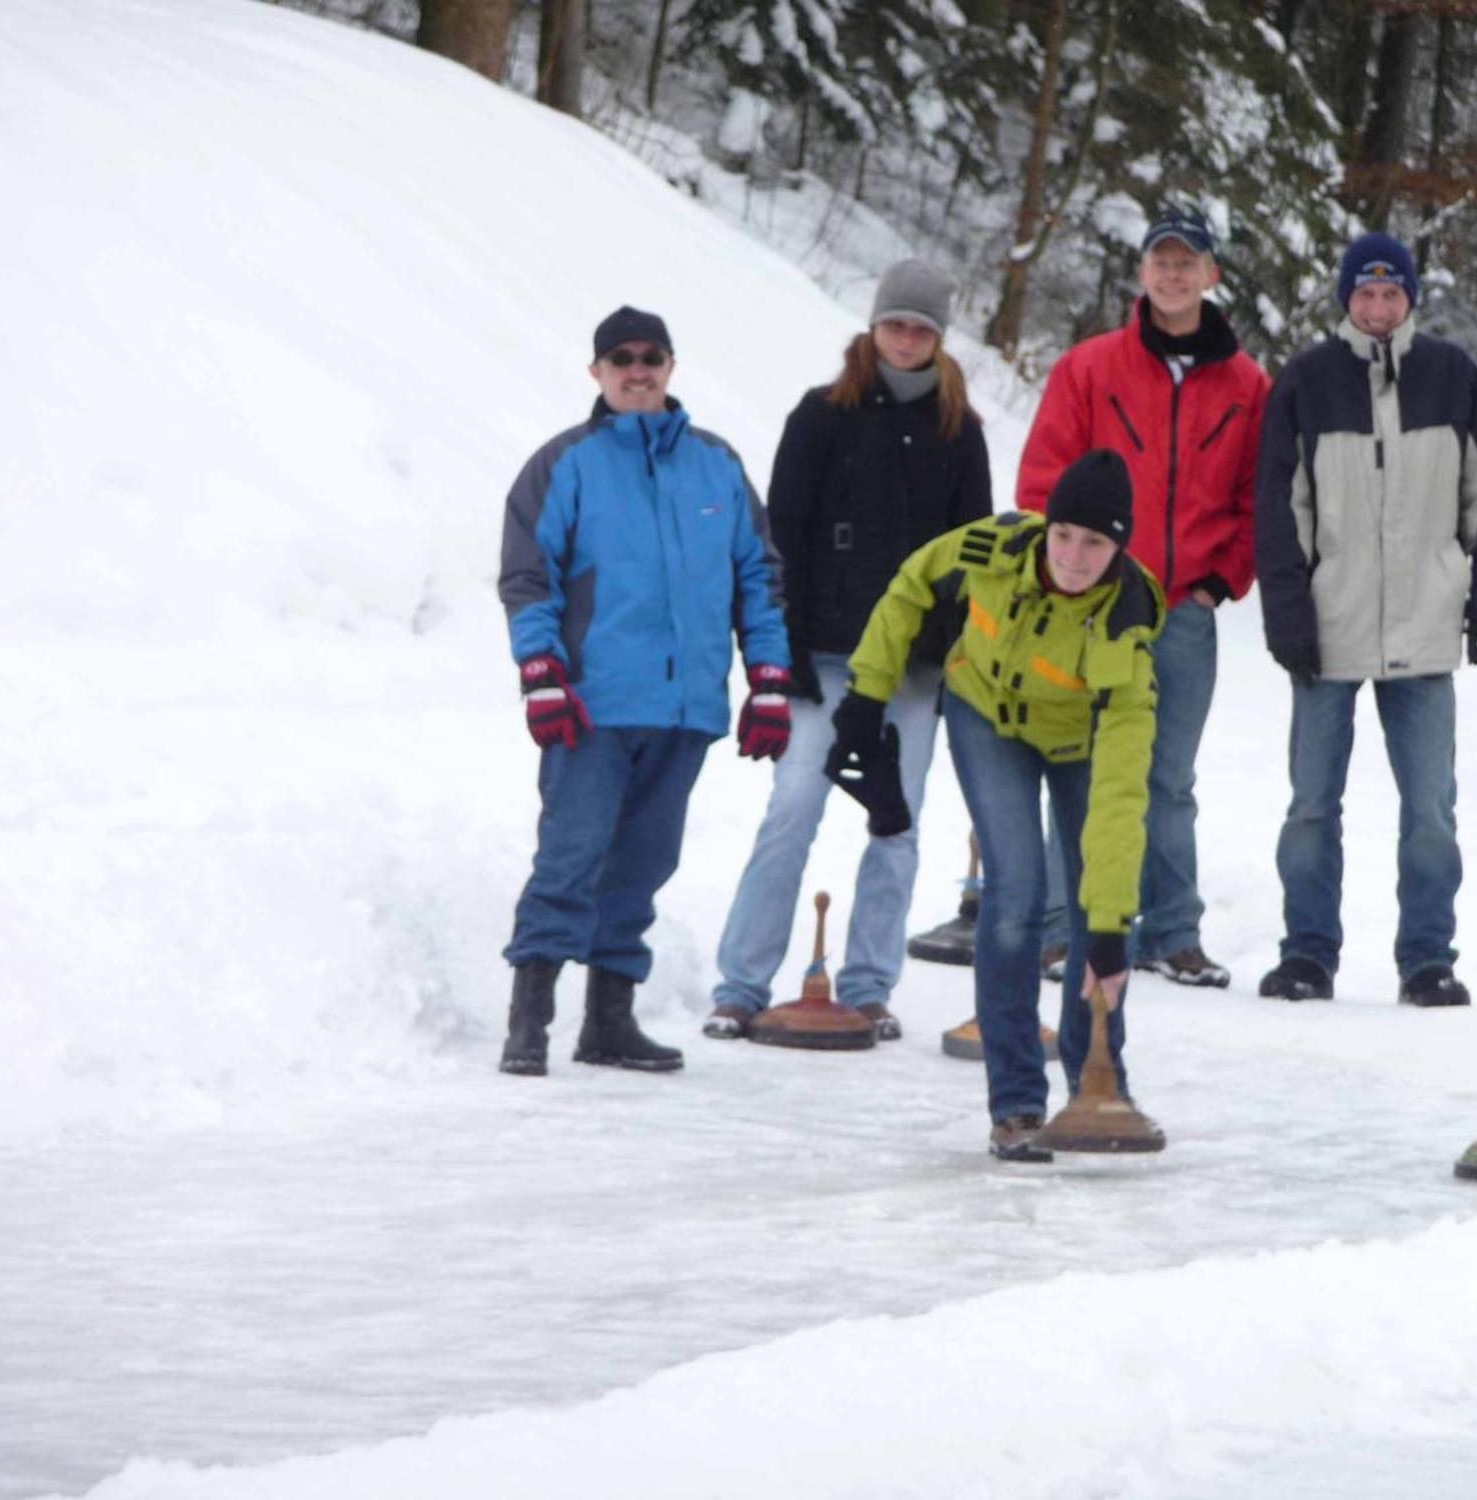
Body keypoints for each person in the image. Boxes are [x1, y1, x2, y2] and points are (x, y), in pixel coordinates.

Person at [833, 451, 1164, 1160]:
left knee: (1092, 911)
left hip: (1082, 747)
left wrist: (1109, 926)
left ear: (1119, 548)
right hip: (987, 719)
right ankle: (1015, 1104)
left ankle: (1097, 1084)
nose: (1075, 557)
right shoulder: (995, 545)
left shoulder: (1124, 629)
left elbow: (1120, 793)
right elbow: (911, 585)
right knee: (1015, 892)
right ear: (1049, 526)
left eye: (1097, 543)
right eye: (1066, 534)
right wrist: (866, 693)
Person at [496, 305, 792, 1077]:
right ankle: (529, 1023)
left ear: (670, 366)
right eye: (620, 357)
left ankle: (608, 1023)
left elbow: (759, 578)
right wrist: (542, 676)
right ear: (596, 371)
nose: (637, 369)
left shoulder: (716, 465)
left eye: (651, 356)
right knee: (569, 857)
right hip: (593, 706)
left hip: (686, 708)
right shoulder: (566, 464)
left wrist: (767, 680)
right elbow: (529, 579)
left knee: (644, 865)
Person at [705, 260, 992, 1042]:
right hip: (824, 658)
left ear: (939, 339)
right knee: (792, 809)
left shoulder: (960, 429)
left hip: (912, 669)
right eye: (896, 324)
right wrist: (782, 652)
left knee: (896, 825)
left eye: (922, 329)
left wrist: (949, 655)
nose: (906, 338)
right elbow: (781, 538)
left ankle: (869, 986)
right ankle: (740, 984)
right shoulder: (819, 415)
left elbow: (976, 556)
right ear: (873, 328)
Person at [1253, 232, 1477, 1007]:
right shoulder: (1306, 381)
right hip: (1328, 628)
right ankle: (1307, 953)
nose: (1377, 308)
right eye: (1364, 295)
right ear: (1347, 299)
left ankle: (1427, 958)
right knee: (1311, 803)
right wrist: (1289, 615)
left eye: (1390, 294)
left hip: (1425, 625)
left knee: (1431, 807)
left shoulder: (1452, 377)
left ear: (1410, 299)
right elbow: (1279, 508)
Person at [1014, 208, 1270, 989]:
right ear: (1142, 272)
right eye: (1160, 259)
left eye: (1187, 261)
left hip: (1183, 609)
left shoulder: (1246, 383)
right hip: (1090, 606)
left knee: (1167, 777)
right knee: (1078, 763)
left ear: (1212, 275)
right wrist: (1063, 579)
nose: (1172, 273)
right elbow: (1042, 480)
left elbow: (1258, 494)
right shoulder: (1090, 368)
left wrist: (1223, 577)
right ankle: (1068, 927)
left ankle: (1172, 931)